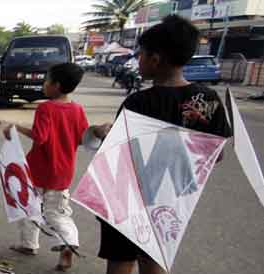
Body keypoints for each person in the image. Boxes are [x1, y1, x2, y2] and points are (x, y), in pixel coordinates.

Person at [89, 15, 231, 274]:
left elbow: (119, 153)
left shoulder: (139, 102)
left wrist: (100, 132)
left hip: (129, 198)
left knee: (121, 259)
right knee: (154, 257)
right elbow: (216, 155)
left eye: (141, 54)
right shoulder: (209, 100)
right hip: (170, 200)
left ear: (155, 59)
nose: (138, 60)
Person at [3, 63, 89, 271]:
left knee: (29, 206)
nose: (44, 84)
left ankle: (28, 244)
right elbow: (83, 139)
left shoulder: (46, 108)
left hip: (38, 170)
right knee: (58, 212)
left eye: (46, 80)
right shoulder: (77, 109)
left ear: (56, 85)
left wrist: (16, 128)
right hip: (63, 172)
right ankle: (68, 243)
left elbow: (40, 137)